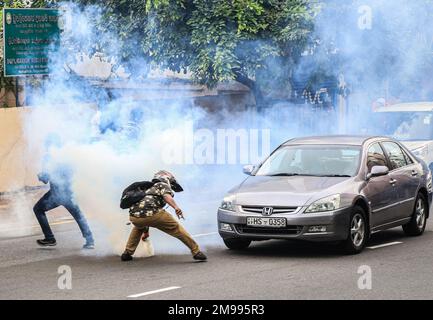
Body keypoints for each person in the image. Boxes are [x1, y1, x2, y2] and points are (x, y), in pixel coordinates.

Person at [121, 170, 207, 262]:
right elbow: (166, 197)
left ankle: (127, 253)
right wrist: (176, 207)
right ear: (166, 179)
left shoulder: (146, 188)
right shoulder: (162, 185)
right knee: (176, 228)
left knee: (138, 227)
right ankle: (196, 251)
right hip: (153, 214)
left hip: (134, 217)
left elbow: (143, 211)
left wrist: (145, 232)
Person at [33, 135, 95, 249]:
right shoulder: (67, 155)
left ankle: (49, 238)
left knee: (38, 209)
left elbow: (46, 179)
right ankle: (90, 240)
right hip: (70, 191)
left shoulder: (48, 157)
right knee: (78, 215)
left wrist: (41, 176)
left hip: (56, 193)